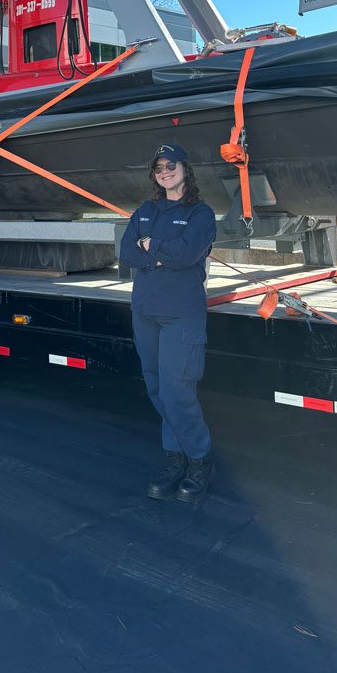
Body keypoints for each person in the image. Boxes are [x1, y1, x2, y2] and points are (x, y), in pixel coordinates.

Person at [119, 143, 216, 502]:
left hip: (181, 314)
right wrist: (160, 253)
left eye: (170, 165)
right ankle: (176, 459)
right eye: (158, 167)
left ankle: (199, 460)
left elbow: (188, 254)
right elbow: (127, 252)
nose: (164, 171)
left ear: (185, 169)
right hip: (145, 311)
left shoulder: (200, 214)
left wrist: (152, 249)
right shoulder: (145, 210)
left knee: (178, 392)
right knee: (158, 389)